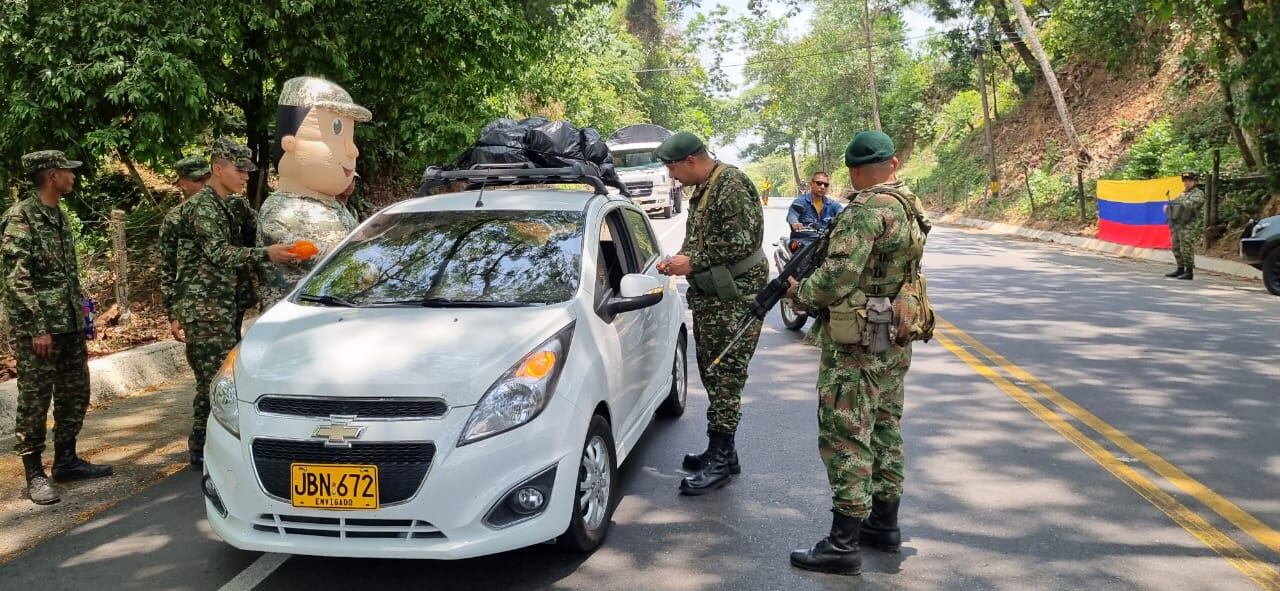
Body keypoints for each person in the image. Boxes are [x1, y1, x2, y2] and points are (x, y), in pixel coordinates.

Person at [786, 131, 930, 575]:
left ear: (852, 171)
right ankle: (883, 524)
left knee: (846, 432)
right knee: (886, 425)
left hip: (859, 341)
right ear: (893, 165)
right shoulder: (909, 204)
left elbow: (836, 278)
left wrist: (800, 292)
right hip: (893, 334)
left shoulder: (865, 211)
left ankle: (843, 543)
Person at [160, 138, 297, 465]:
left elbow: (257, 232)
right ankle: (204, 446)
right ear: (217, 169)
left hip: (228, 305)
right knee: (216, 379)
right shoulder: (201, 208)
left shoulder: (233, 205)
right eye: (240, 171)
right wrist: (268, 254)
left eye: (249, 171)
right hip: (204, 309)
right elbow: (219, 253)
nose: (246, 177)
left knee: (223, 375)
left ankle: (206, 443)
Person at [654, 132, 767, 495]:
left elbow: (742, 242)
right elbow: (702, 240)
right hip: (715, 297)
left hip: (734, 299)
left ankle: (720, 461)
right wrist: (678, 260)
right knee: (713, 372)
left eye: (672, 167)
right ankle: (723, 452)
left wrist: (693, 262)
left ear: (691, 160)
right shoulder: (706, 188)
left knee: (725, 376)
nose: (672, 175)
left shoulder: (730, 184)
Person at [2, 150, 113, 505]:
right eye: (68, 171)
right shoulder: (21, 218)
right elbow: (17, 281)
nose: (74, 176)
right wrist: (37, 328)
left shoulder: (60, 217)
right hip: (41, 330)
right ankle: (34, 474)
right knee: (35, 400)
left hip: (69, 324)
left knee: (74, 392)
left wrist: (83, 317)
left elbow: (67, 276)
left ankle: (66, 460)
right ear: (52, 175)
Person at [258, 76, 371, 306]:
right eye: (337, 131)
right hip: (296, 323)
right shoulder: (281, 212)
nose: (353, 151)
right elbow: (317, 259)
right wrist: (370, 269)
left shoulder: (334, 206)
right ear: (290, 142)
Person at [1164, 171, 1205, 280]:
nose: (1187, 183)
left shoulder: (1198, 193)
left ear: (1195, 181)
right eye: (1185, 180)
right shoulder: (1183, 194)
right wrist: (1169, 208)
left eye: (1189, 180)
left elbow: (1191, 204)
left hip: (1188, 224)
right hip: (1177, 223)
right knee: (1175, 247)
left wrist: (1178, 203)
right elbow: (1174, 205)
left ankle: (1189, 271)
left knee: (1186, 247)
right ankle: (1180, 268)